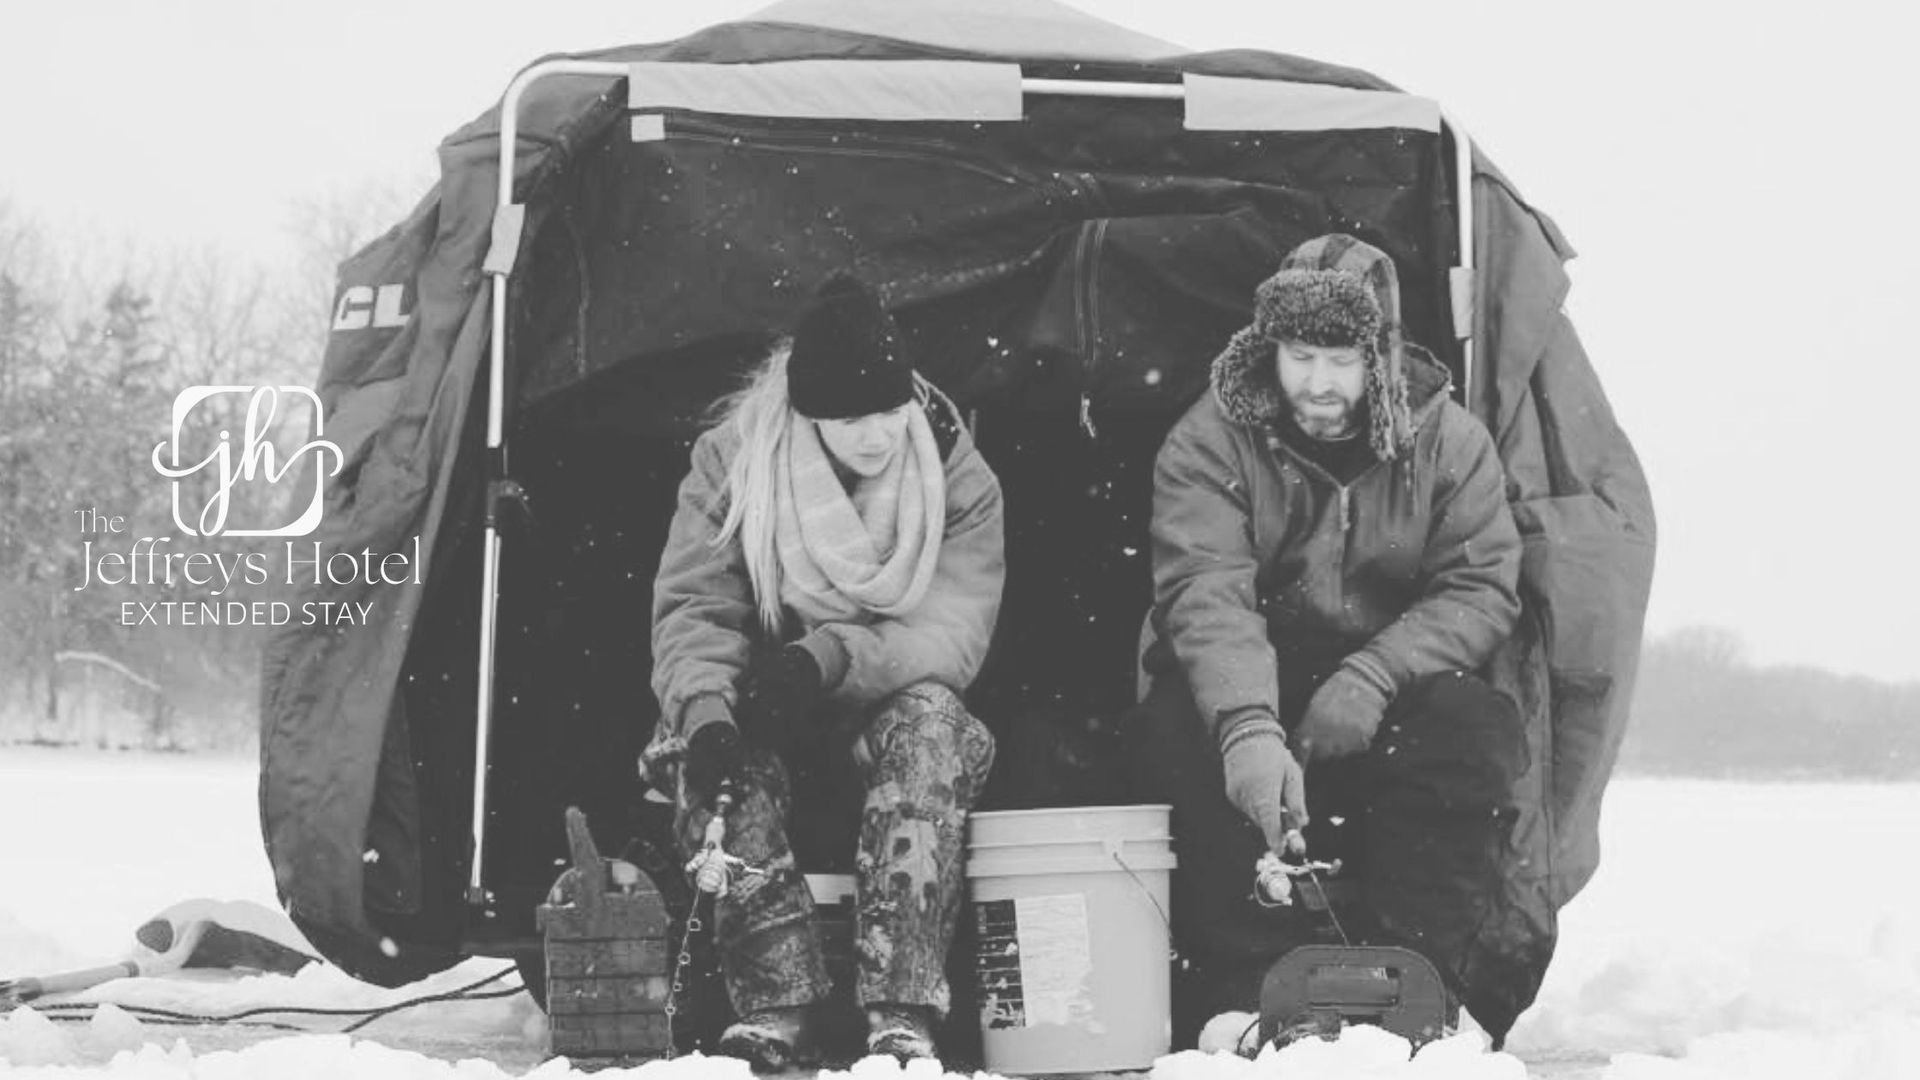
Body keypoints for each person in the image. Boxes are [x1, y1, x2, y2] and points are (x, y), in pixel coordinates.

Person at [1127, 234, 1528, 1040]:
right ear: (1269, 347)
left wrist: (1375, 676)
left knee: (1474, 732)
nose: (1317, 383)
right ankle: (1245, 996)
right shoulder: (1209, 439)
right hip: (1248, 670)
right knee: (1173, 727)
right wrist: (1246, 725)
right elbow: (1206, 593)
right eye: (1300, 354)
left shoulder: (1450, 441)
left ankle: (1418, 989)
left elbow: (1480, 586)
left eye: (1341, 359)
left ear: (1378, 356)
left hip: (1395, 677)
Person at [647, 272, 1006, 1068]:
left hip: (877, 701)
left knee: (932, 727)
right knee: (695, 750)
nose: (876, 435)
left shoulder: (953, 469)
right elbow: (694, 606)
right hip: (762, 700)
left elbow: (953, 630)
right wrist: (707, 709)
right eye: (850, 420)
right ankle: (775, 1010)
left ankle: (901, 1013)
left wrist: (828, 658)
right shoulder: (733, 462)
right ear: (810, 415)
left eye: (888, 410)